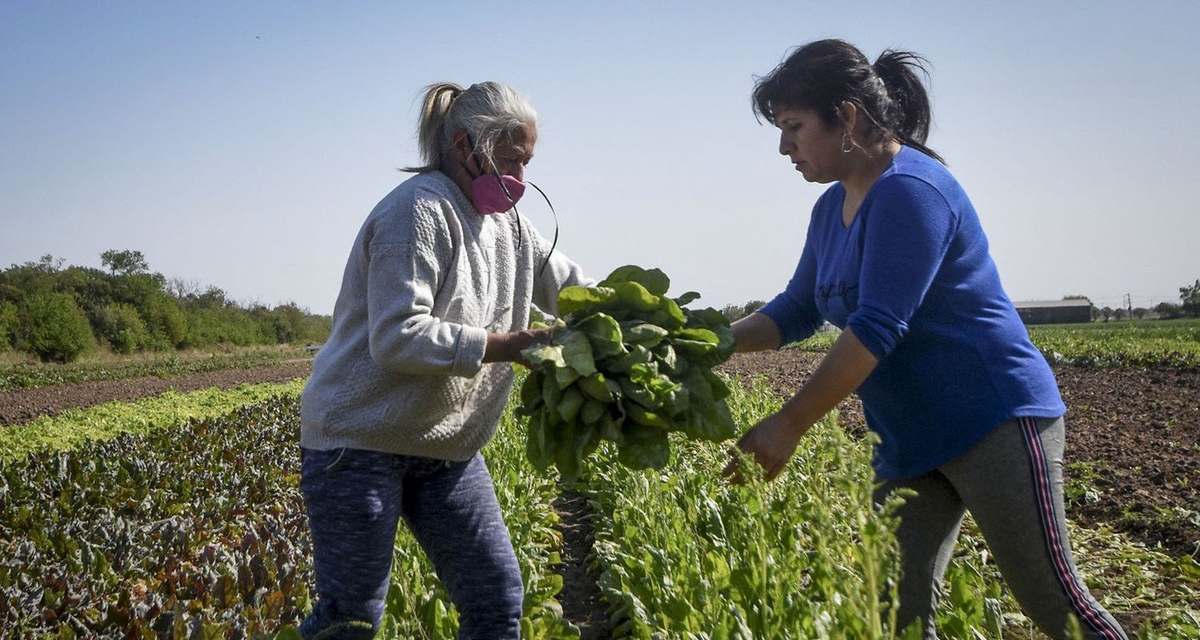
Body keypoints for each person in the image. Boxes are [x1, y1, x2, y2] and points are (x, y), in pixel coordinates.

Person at [724, 39, 1127, 640]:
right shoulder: (830, 207)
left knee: (1055, 603)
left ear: (848, 118)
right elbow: (797, 310)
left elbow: (877, 327)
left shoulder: (912, 190)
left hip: (994, 421)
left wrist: (789, 423)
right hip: (910, 442)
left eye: (793, 126)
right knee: (894, 617)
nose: (784, 146)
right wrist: (704, 341)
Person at [297, 81, 590, 639]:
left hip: (445, 450)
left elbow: (577, 290)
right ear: (464, 148)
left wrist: (645, 322)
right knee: (351, 618)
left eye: (527, 163)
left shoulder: (512, 226)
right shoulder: (416, 213)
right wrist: (506, 345)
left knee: (496, 601)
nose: (522, 179)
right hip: (357, 444)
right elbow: (399, 336)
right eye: (511, 160)